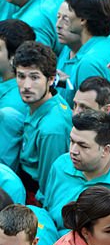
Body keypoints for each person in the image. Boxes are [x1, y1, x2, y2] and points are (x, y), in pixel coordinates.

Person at [39, 112, 110, 233]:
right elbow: (46, 208)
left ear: (105, 150)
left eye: (83, 146)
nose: (73, 151)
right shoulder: (60, 165)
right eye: (72, 141)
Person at [16, 41, 71, 198]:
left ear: (51, 79)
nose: (26, 85)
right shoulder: (38, 102)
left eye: (34, 77)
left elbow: (48, 187)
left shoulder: (52, 129)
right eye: (21, 76)